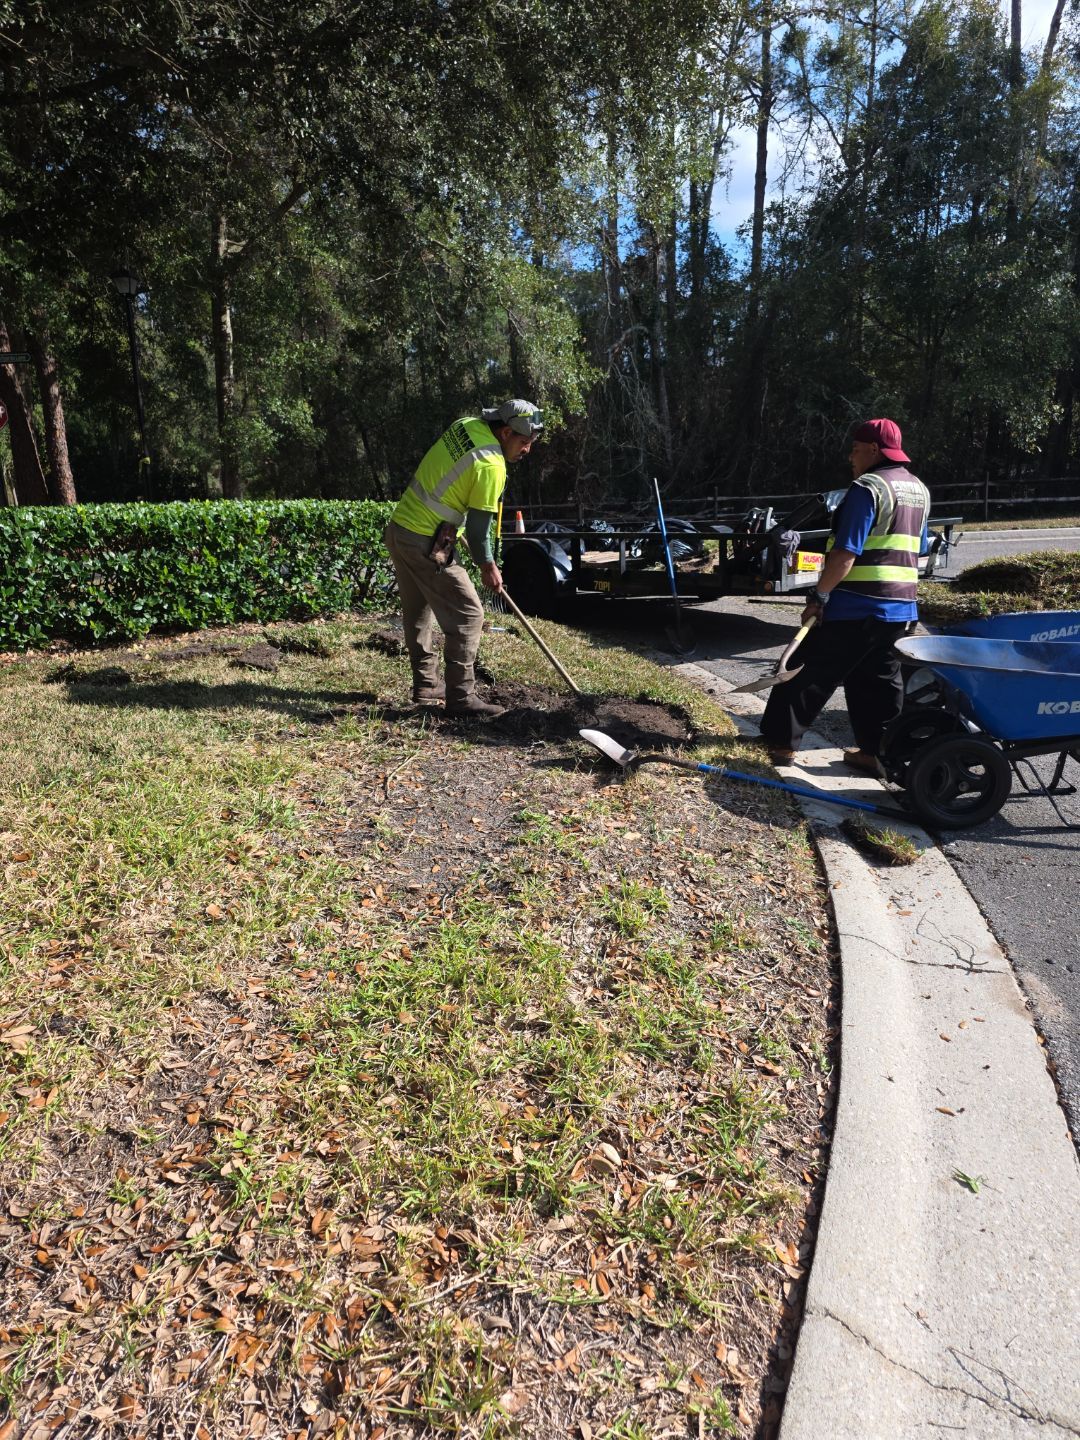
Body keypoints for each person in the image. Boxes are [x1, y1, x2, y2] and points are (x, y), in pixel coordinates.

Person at [759, 417, 931, 772]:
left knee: (805, 671)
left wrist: (819, 596)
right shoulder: (919, 490)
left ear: (873, 450)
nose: (851, 458)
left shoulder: (868, 488)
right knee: (878, 683)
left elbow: (845, 553)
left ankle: (778, 745)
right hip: (900, 609)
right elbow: (921, 547)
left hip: (857, 605)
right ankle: (877, 753)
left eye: (855, 450)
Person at [384, 399, 543, 717]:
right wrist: (488, 566)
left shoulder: (465, 426)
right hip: (425, 543)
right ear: (506, 431)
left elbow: (451, 486)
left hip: (400, 531)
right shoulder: (491, 465)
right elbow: (480, 531)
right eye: (524, 442)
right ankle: (461, 697)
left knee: (417, 611)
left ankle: (427, 685)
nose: (527, 450)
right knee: (470, 615)